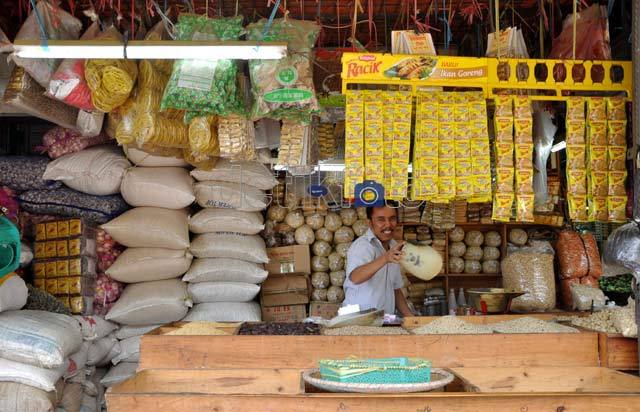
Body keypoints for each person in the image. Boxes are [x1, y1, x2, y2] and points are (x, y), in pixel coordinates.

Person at [342, 203, 413, 316]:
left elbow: (394, 288)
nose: (388, 224)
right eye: (381, 220)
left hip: (383, 320)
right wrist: (385, 258)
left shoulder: (393, 246)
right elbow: (355, 277)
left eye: (392, 219)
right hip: (358, 320)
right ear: (370, 223)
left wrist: (410, 317)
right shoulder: (363, 246)